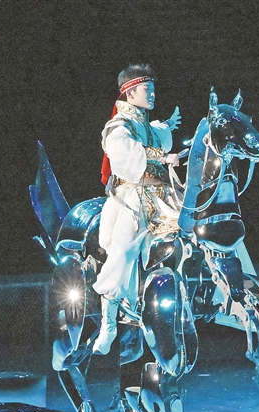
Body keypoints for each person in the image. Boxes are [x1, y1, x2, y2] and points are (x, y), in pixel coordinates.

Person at [92, 64, 183, 355]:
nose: (153, 94)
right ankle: (108, 324)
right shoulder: (119, 126)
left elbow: (157, 133)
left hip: (164, 192)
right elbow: (125, 153)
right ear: (130, 93)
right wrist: (163, 157)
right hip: (134, 194)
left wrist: (167, 127)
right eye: (147, 89)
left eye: (153, 89)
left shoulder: (146, 124)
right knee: (123, 249)